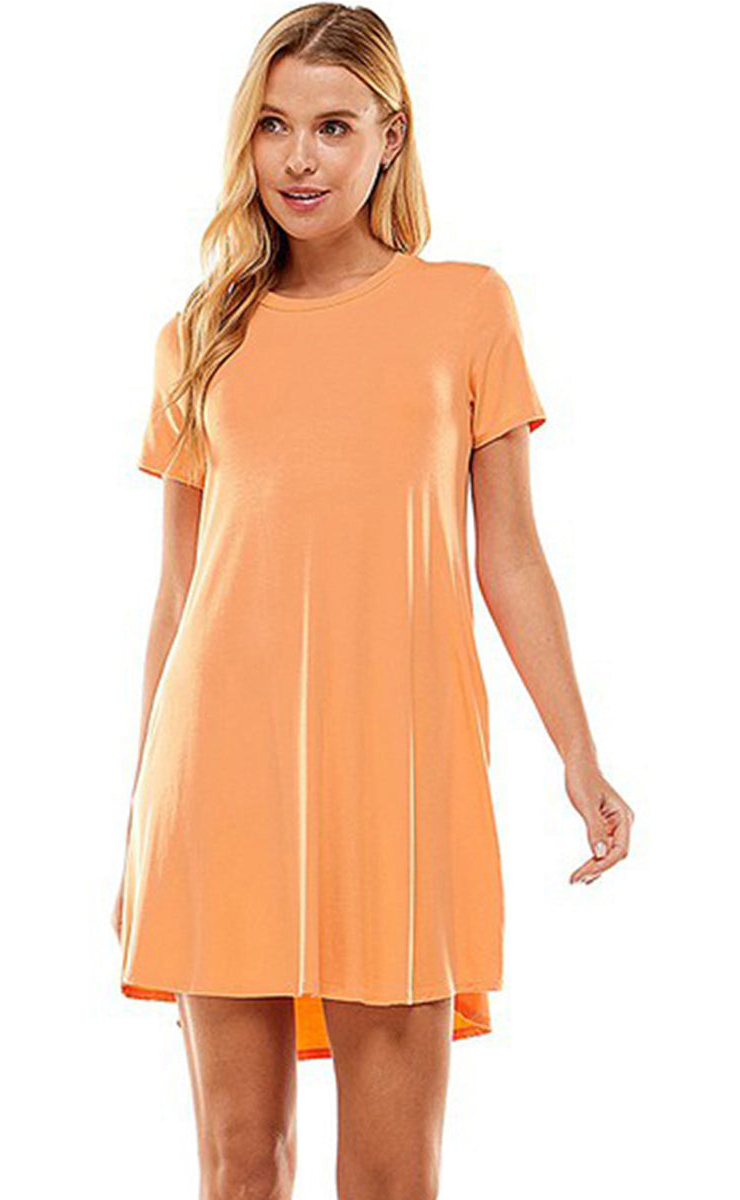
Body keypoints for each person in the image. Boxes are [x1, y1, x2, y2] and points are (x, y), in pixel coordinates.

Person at [112, 5, 635, 1197]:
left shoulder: (466, 307)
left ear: (390, 137)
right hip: (220, 779)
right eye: (273, 126)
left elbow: (511, 555)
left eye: (333, 127)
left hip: (397, 773)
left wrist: (578, 753)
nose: (298, 158)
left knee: (392, 1179)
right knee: (239, 1168)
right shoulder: (199, 336)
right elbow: (178, 594)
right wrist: (144, 811)